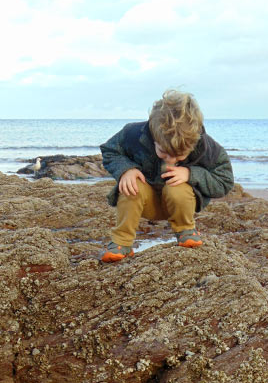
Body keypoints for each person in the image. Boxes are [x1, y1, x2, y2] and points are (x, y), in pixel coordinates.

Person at [100, 90, 234, 262]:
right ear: (153, 135)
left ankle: (186, 231)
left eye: (179, 155)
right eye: (163, 152)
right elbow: (110, 150)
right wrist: (126, 169)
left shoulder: (207, 147)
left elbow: (225, 181)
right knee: (132, 184)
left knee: (177, 186)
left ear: (194, 143)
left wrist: (191, 174)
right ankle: (121, 243)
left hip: (180, 204)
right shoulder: (133, 134)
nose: (171, 160)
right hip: (144, 202)